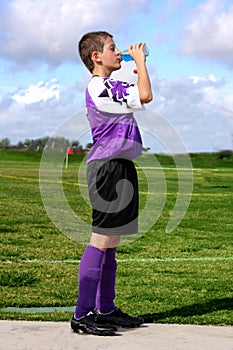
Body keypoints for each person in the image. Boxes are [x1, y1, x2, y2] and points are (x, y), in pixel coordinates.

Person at [71, 31, 153, 336]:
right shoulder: (100, 86)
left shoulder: (110, 86)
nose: (119, 53)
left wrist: (137, 68)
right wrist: (141, 63)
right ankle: (82, 314)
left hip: (121, 166)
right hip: (107, 169)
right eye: (113, 49)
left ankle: (105, 309)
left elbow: (137, 95)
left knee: (112, 242)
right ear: (96, 57)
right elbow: (145, 95)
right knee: (101, 239)